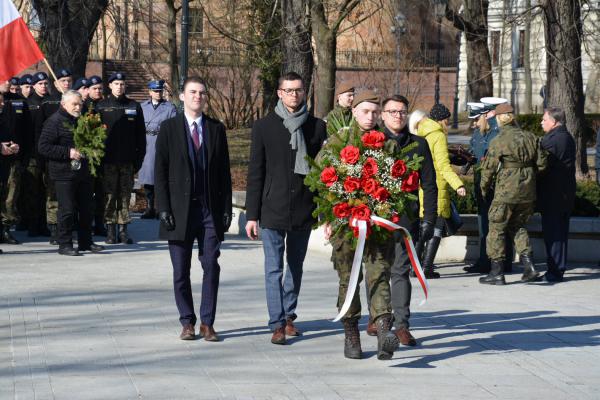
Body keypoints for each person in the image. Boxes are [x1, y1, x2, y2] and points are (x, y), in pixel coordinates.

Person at [245, 71, 326, 345]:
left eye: (298, 90)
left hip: (304, 206)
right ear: (279, 93)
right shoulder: (264, 127)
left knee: (296, 266)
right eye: (289, 90)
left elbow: (324, 171)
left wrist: (324, 209)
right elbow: (256, 171)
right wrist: (252, 214)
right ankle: (277, 323)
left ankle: (289, 315)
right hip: (272, 207)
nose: (294, 95)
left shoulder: (316, 127)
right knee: (273, 268)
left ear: (304, 93)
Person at [320, 91, 399, 360]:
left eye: (376, 113)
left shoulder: (388, 143)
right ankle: (351, 334)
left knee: (379, 275)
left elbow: (399, 181)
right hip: (346, 225)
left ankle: (385, 330)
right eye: (365, 111)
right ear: (354, 111)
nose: (371, 117)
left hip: (377, 225)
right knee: (349, 279)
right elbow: (322, 180)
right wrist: (328, 218)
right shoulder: (339, 140)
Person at [155, 76, 232, 341]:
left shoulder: (215, 129)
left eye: (201, 92)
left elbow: (224, 173)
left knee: (211, 264)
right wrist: (162, 207)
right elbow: (160, 170)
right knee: (180, 270)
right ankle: (187, 321)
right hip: (179, 211)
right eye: (192, 92)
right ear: (182, 96)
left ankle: (207, 322)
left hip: (208, 209)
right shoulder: (169, 128)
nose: (197, 96)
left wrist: (225, 208)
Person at [381, 95, 437, 348]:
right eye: (392, 111)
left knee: (400, 271)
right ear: (383, 115)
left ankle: (402, 325)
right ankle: (379, 319)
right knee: (377, 271)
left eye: (402, 111)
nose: (397, 116)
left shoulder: (419, 144)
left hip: (406, 219)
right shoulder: (372, 142)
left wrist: (429, 219)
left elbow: (429, 183)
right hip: (375, 219)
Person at [479, 103, 547, 285]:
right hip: (528, 192)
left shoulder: (499, 140)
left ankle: (497, 273)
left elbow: (488, 170)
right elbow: (542, 165)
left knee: (496, 229)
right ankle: (530, 268)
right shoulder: (531, 137)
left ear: (500, 118)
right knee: (518, 226)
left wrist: (484, 189)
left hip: (505, 192)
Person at [37, 90, 104, 256]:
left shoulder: (82, 120)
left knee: (86, 208)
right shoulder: (54, 122)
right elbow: (43, 147)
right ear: (63, 104)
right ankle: (65, 244)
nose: (78, 107)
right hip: (63, 174)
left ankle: (85, 242)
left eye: (80, 103)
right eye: (74, 104)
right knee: (67, 210)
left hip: (83, 172)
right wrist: (68, 153)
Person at [408, 104, 466, 278]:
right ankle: (426, 268)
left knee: (422, 228)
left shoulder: (419, 132)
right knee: (437, 228)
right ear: (442, 119)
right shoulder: (438, 135)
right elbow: (443, 166)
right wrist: (458, 185)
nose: (448, 122)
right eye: (447, 119)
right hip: (437, 186)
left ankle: (414, 267)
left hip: (421, 186)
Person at [464, 100, 514, 274]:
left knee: (495, 224)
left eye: (477, 117)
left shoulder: (495, 132)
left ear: (488, 114)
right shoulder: (482, 132)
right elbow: (475, 152)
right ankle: (486, 260)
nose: (474, 122)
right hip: (482, 183)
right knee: (484, 223)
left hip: (494, 185)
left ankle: (498, 261)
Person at [97, 72, 146, 244]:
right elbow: (95, 136)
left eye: (122, 84)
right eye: (116, 83)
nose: (119, 86)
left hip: (127, 162)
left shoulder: (134, 106)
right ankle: (110, 231)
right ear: (110, 86)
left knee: (125, 197)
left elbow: (141, 137)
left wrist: (138, 161)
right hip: (108, 161)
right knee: (109, 196)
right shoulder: (101, 106)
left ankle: (124, 231)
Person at [538, 107, 576, 282]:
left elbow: (540, 166)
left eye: (544, 120)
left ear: (553, 122)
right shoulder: (565, 136)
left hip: (554, 196)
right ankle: (555, 269)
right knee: (558, 234)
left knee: (554, 235)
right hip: (562, 195)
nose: (541, 122)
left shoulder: (553, 140)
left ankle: (555, 271)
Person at [138, 79, 177, 219]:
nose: (158, 93)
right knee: (148, 178)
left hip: (161, 142)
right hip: (146, 143)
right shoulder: (142, 107)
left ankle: (162, 209)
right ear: (150, 92)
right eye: (155, 91)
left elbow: (173, 126)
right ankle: (149, 208)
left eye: (160, 91)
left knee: (161, 176)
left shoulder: (169, 107)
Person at [22, 72, 52, 237]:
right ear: (34, 86)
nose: (43, 86)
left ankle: (44, 223)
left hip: (49, 154)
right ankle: (32, 223)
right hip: (33, 154)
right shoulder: (27, 103)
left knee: (47, 190)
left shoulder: (53, 102)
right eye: (40, 84)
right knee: (33, 190)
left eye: (46, 83)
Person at [84, 75, 107, 236]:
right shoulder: (84, 107)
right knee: (87, 193)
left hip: (104, 157)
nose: (98, 91)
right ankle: (86, 224)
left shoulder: (105, 105)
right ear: (88, 90)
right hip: (89, 157)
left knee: (101, 193)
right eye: (94, 88)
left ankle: (100, 223)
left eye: (100, 88)